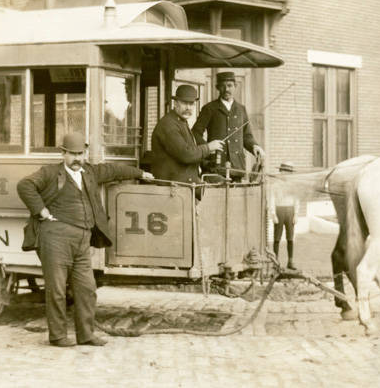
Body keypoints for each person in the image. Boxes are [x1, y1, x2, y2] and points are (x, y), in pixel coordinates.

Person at [17, 132, 153, 347]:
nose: (77, 159)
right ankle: (58, 336)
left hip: (82, 240)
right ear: (63, 154)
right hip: (55, 238)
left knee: (87, 289)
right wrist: (41, 211)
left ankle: (86, 334)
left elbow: (114, 170)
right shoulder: (50, 173)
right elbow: (25, 186)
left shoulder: (89, 172)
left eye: (80, 153)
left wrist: (141, 173)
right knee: (57, 290)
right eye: (72, 154)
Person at [192, 71, 265, 182]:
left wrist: (254, 146)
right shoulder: (209, 108)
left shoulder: (241, 109)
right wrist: (208, 147)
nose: (226, 89)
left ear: (235, 86)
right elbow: (195, 133)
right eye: (223, 86)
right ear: (218, 88)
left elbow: (247, 136)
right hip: (217, 166)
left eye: (230, 85)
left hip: (237, 167)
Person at [151, 84, 224, 187]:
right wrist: (208, 147)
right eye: (184, 103)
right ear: (175, 103)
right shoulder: (168, 125)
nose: (188, 107)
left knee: (222, 186)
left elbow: (189, 151)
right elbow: (186, 155)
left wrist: (207, 163)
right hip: (171, 188)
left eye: (191, 104)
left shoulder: (181, 122)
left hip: (184, 184)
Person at [269, 161, 299, 270]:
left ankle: (290, 261)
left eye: (289, 172)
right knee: (277, 238)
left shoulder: (293, 186)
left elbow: (296, 200)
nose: (286, 174)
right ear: (280, 171)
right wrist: (273, 214)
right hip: (279, 210)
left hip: (290, 211)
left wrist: (296, 214)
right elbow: (272, 199)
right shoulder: (275, 185)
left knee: (290, 238)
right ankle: (275, 261)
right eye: (285, 171)